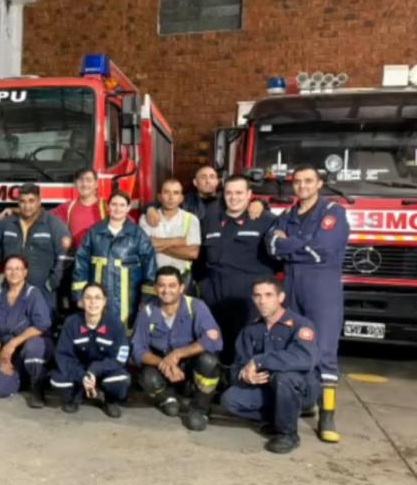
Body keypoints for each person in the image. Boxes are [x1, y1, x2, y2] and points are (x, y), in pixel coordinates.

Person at [267, 164, 349, 443]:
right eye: (297, 181)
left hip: (321, 286)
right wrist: (298, 246)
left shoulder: (333, 213)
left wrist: (288, 245)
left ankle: (327, 415)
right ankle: (303, 402)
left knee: (324, 349)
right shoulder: (288, 214)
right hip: (290, 284)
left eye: (308, 181)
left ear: (319, 184)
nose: (302, 186)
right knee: (292, 344)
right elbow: (272, 247)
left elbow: (321, 250)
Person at [221, 278, 321, 454]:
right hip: (268, 390)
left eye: (268, 295)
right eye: (257, 296)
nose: (262, 301)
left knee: (283, 377)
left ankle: (287, 434)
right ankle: (281, 418)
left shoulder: (301, 325)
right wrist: (245, 375)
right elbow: (237, 366)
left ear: (280, 297)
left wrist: (260, 361)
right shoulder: (251, 330)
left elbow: (304, 358)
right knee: (230, 400)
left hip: (300, 388)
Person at [131, 267, 223, 431]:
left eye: (172, 285)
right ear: (155, 288)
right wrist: (164, 363)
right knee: (146, 376)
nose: (166, 290)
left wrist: (178, 354)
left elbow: (213, 341)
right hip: (165, 372)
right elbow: (137, 349)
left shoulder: (196, 306)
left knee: (209, 361)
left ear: (181, 287)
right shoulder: (147, 311)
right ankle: (167, 399)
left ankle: (200, 409)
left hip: (190, 372)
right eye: (161, 285)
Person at [201, 174, 277, 365]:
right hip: (215, 296)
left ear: (250, 194)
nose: (233, 198)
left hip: (248, 300)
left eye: (239, 193)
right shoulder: (210, 220)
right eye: (229, 193)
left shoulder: (265, 220)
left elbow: (277, 260)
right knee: (216, 346)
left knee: (247, 347)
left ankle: (244, 388)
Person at [72, 191, 157, 326]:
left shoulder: (138, 235)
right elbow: (80, 264)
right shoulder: (94, 232)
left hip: (130, 300)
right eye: (114, 204)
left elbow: (150, 268)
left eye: (122, 205)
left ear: (128, 208)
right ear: (108, 206)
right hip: (96, 300)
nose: (118, 209)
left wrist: (147, 299)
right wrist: (79, 296)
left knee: (126, 334)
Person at [51, 283, 130, 418]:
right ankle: (77, 395)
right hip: (79, 372)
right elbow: (63, 355)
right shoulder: (71, 323)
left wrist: (94, 370)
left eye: (98, 298)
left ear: (105, 301)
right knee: (57, 381)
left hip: (104, 371)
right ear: (81, 302)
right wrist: (82, 376)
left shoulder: (115, 324)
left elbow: (119, 358)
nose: (93, 302)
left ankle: (107, 399)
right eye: (88, 298)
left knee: (121, 380)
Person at [0, 255, 53, 408]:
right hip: (9, 354)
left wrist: (13, 343)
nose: (13, 272)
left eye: (18, 269)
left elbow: (42, 325)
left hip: (30, 347)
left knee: (33, 346)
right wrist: (1, 360)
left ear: (25, 272)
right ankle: (22, 378)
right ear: (4, 272)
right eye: (9, 268)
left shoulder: (33, 294)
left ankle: (37, 387)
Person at [0, 182, 70, 302]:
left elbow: (64, 257)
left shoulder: (54, 224)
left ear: (39, 201)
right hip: (12, 289)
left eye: (31, 201)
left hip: (43, 292)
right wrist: (0, 258)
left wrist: (51, 284)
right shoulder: (8, 222)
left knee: (42, 320)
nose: (27, 206)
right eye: (22, 201)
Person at [138, 178, 201, 279]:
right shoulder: (146, 218)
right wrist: (179, 241)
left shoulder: (192, 219)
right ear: (159, 197)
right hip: (152, 276)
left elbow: (193, 253)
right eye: (166, 192)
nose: (171, 197)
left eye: (176, 193)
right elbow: (143, 248)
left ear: (181, 198)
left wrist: (157, 245)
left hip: (181, 276)